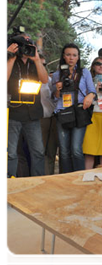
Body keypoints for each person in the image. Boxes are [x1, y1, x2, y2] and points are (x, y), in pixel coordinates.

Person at [5, 34, 49, 177]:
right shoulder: (8, 59)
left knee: (38, 151)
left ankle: (37, 182)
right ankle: (10, 183)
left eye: (29, 47)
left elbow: (44, 80)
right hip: (12, 113)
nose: (26, 50)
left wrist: (36, 60)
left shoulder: (34, 62)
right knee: (11, 153)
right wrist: (11, 57)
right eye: (22, 46)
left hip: (32, 113)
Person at [52, 43, 96, 173]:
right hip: (63, 113)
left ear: (78, 57)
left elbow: (92, 91)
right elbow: (54, 98)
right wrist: (57, 89)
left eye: (74, 55)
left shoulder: (84, 72)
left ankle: (80, 178)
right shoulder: (57, 74)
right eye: (68, 55)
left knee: (76, 149)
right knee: (64, 151)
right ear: (63, 56)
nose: (71, 58)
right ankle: (66, 178)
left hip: (78, 112)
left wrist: (90, 96)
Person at [39, 54, 59, 175]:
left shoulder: (50, 80)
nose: (42, 66)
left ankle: (49, 176)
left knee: (51, 151)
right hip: (39, 119)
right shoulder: (27, 80)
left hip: (53, 118)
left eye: (44, 64)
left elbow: (56, 98)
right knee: (39, 151)